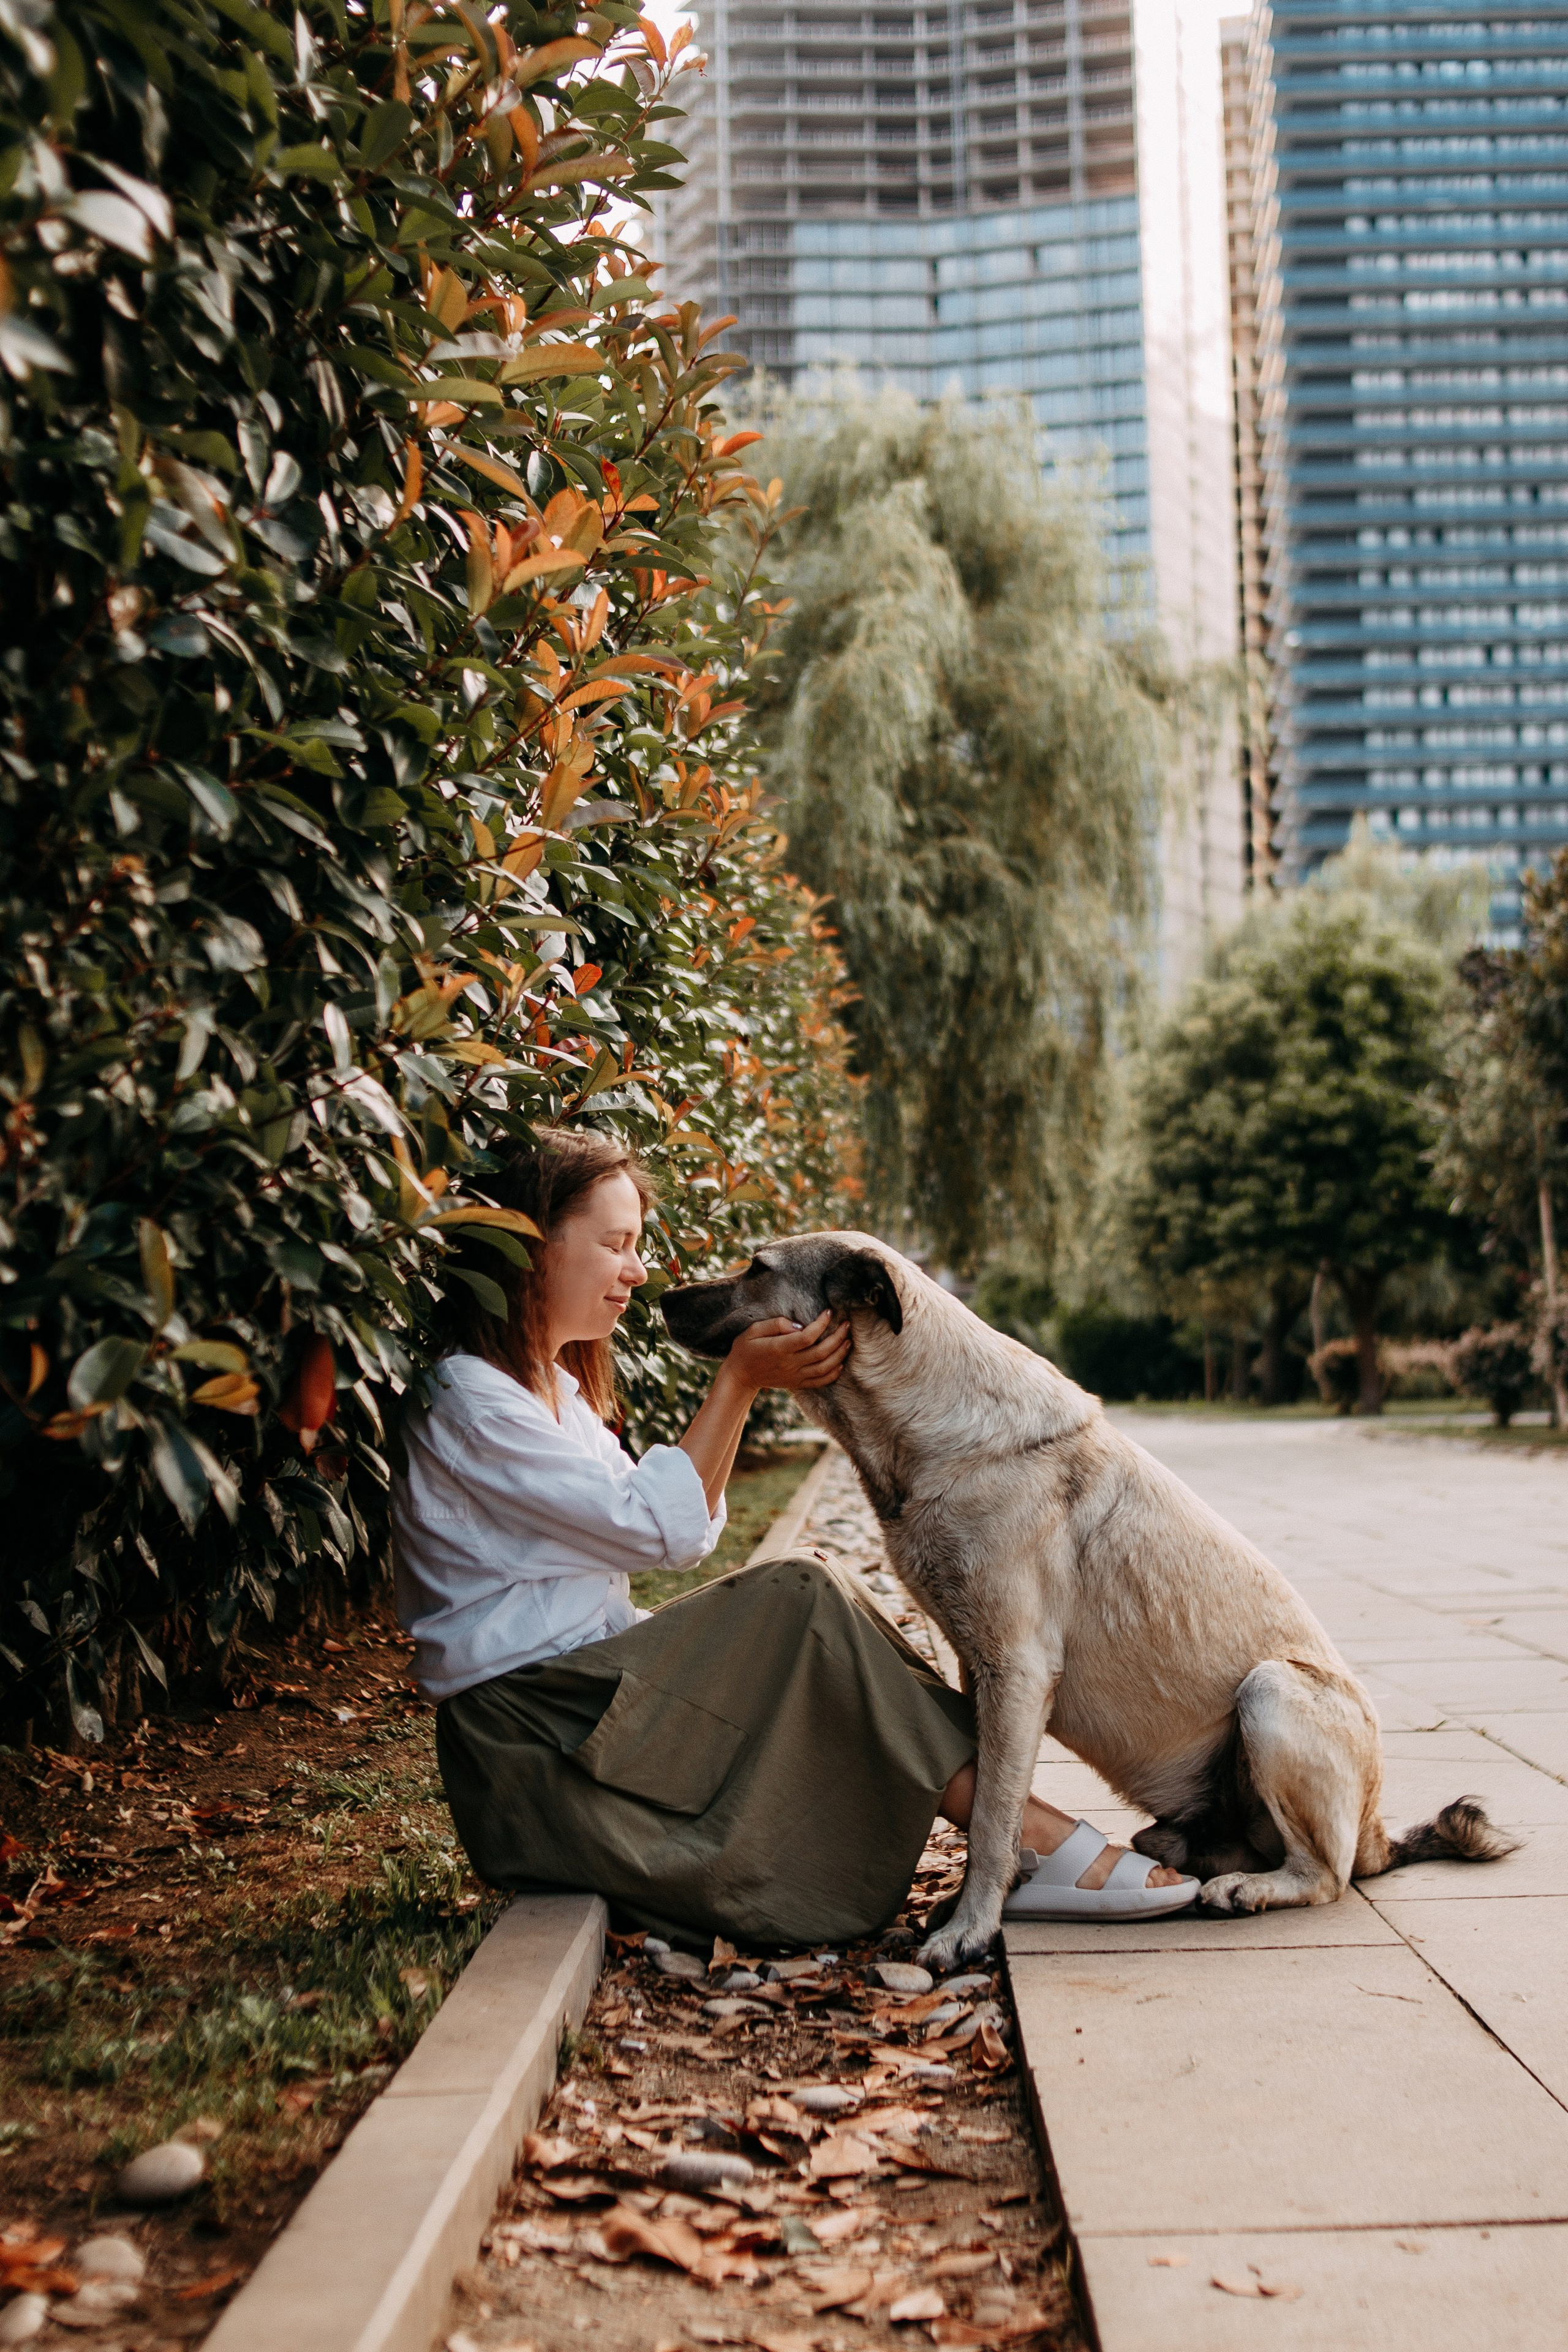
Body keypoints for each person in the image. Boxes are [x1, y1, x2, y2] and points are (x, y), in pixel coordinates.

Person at [391, 1128, 1188, 1948]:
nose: (636, 1271)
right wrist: (738, 1380)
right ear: (532, 1247)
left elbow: (686, 1532)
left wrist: (742, 1385)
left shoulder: (547, 1389)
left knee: (817, 1600)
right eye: (616, 1244)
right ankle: (1032, 1837)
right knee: (801, 1593)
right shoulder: (471, 1402)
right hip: (530, 1737)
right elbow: (656, 1528)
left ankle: (1020, 1833)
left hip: (579, 1705)